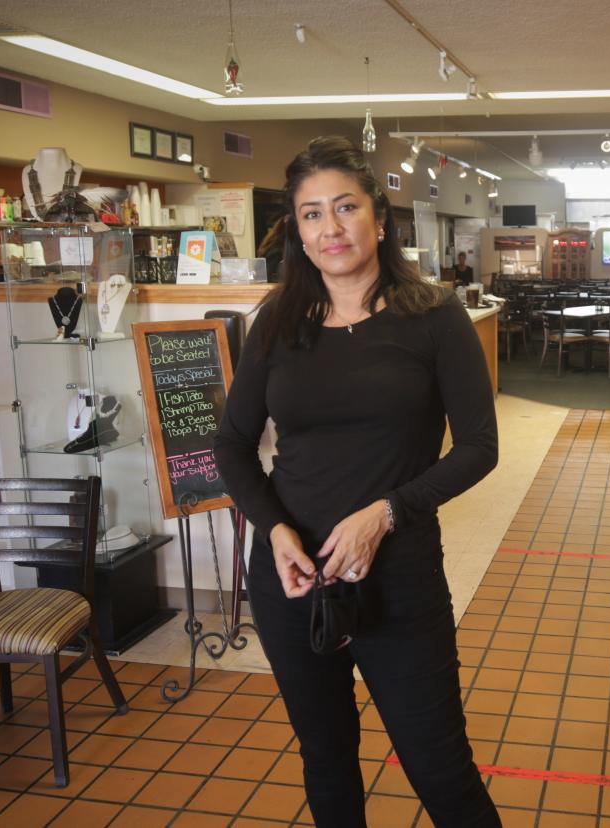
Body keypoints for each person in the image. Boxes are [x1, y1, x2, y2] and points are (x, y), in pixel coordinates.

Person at [213, 136, 500, 828]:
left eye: (345, 207)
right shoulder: (276, 323)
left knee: (440, 769)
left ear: (378, 218)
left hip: (396, 573)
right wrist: (274, 531)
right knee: (327, 756)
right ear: (298, 231)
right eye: (311, 214)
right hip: (292, 577)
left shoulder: (433, 317)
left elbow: (480, 449)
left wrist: (387, 513)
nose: (330, 228)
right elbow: (231, 441)